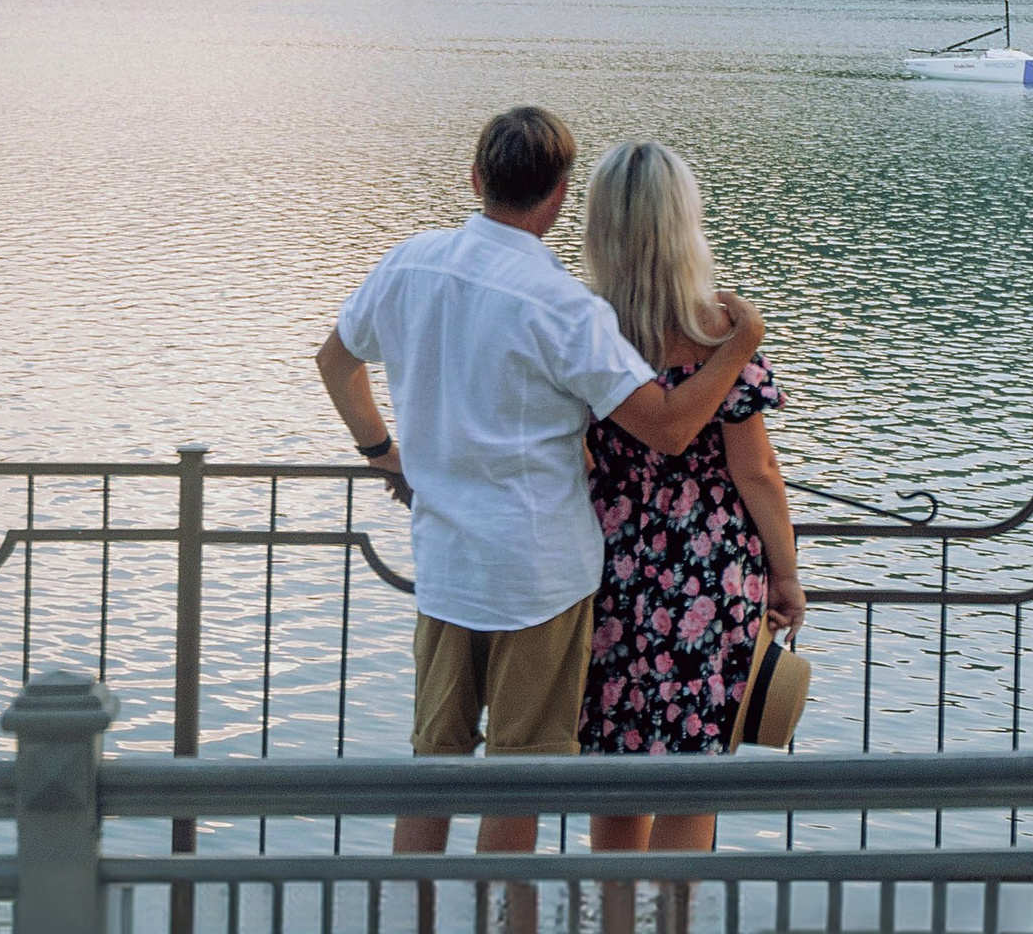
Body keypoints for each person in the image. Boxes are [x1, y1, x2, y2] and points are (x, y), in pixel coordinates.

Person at [315, 107, 764, 929]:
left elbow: (336, 362)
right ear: (559, 197)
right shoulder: (563, 308)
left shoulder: (408, 265)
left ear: (476, 178)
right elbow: (666, 427)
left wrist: (384, 455)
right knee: (519, 780)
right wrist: (738, 349)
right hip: (540, 577)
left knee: (434, 768)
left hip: (446, 564)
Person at [576, 141, 803, 924]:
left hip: (608, 571)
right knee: (692, 768)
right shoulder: (720, 333)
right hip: (709, 581)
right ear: (686, 223)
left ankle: (613, 922)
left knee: (615, 769)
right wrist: (788, 574)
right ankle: (672, 922)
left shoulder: (587, 330)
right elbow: (757, 475)